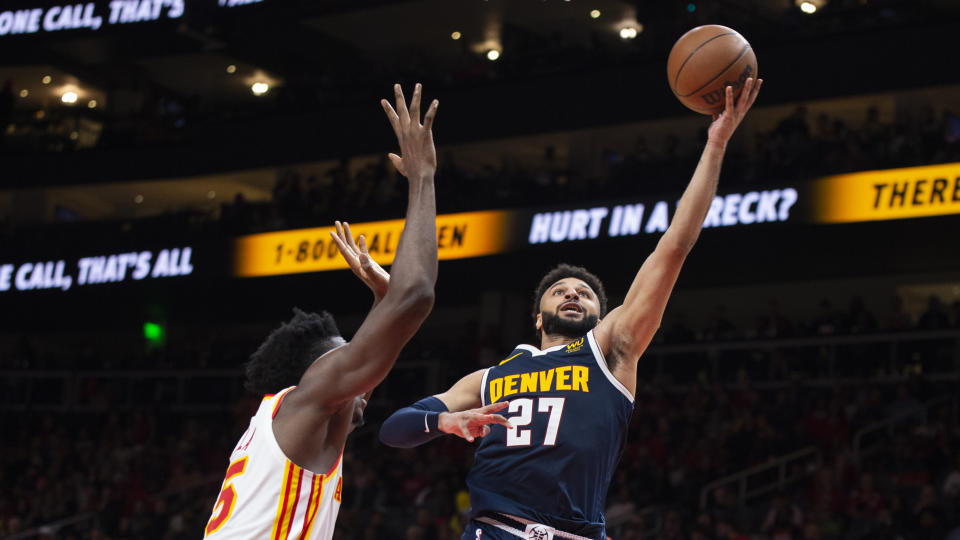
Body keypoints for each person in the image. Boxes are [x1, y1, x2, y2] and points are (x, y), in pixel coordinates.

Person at [379, 78, 763, 540]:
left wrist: (716, 144)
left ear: (602, 317)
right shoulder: (486, 380)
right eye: (560, 290)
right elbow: (393, 430)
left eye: (584, 292)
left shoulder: (611, 350)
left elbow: (674, 245)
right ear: (538, 317)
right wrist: (444, 420)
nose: (573, 294)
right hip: (497, 531)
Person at [203, 83, 439, 539]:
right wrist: (423, 178)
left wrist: (383, 298)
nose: (362, 384)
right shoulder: (306, 403)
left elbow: (398, 322)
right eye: (345, 358)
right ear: (318, 373)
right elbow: (417, 297)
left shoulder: (293, 420)